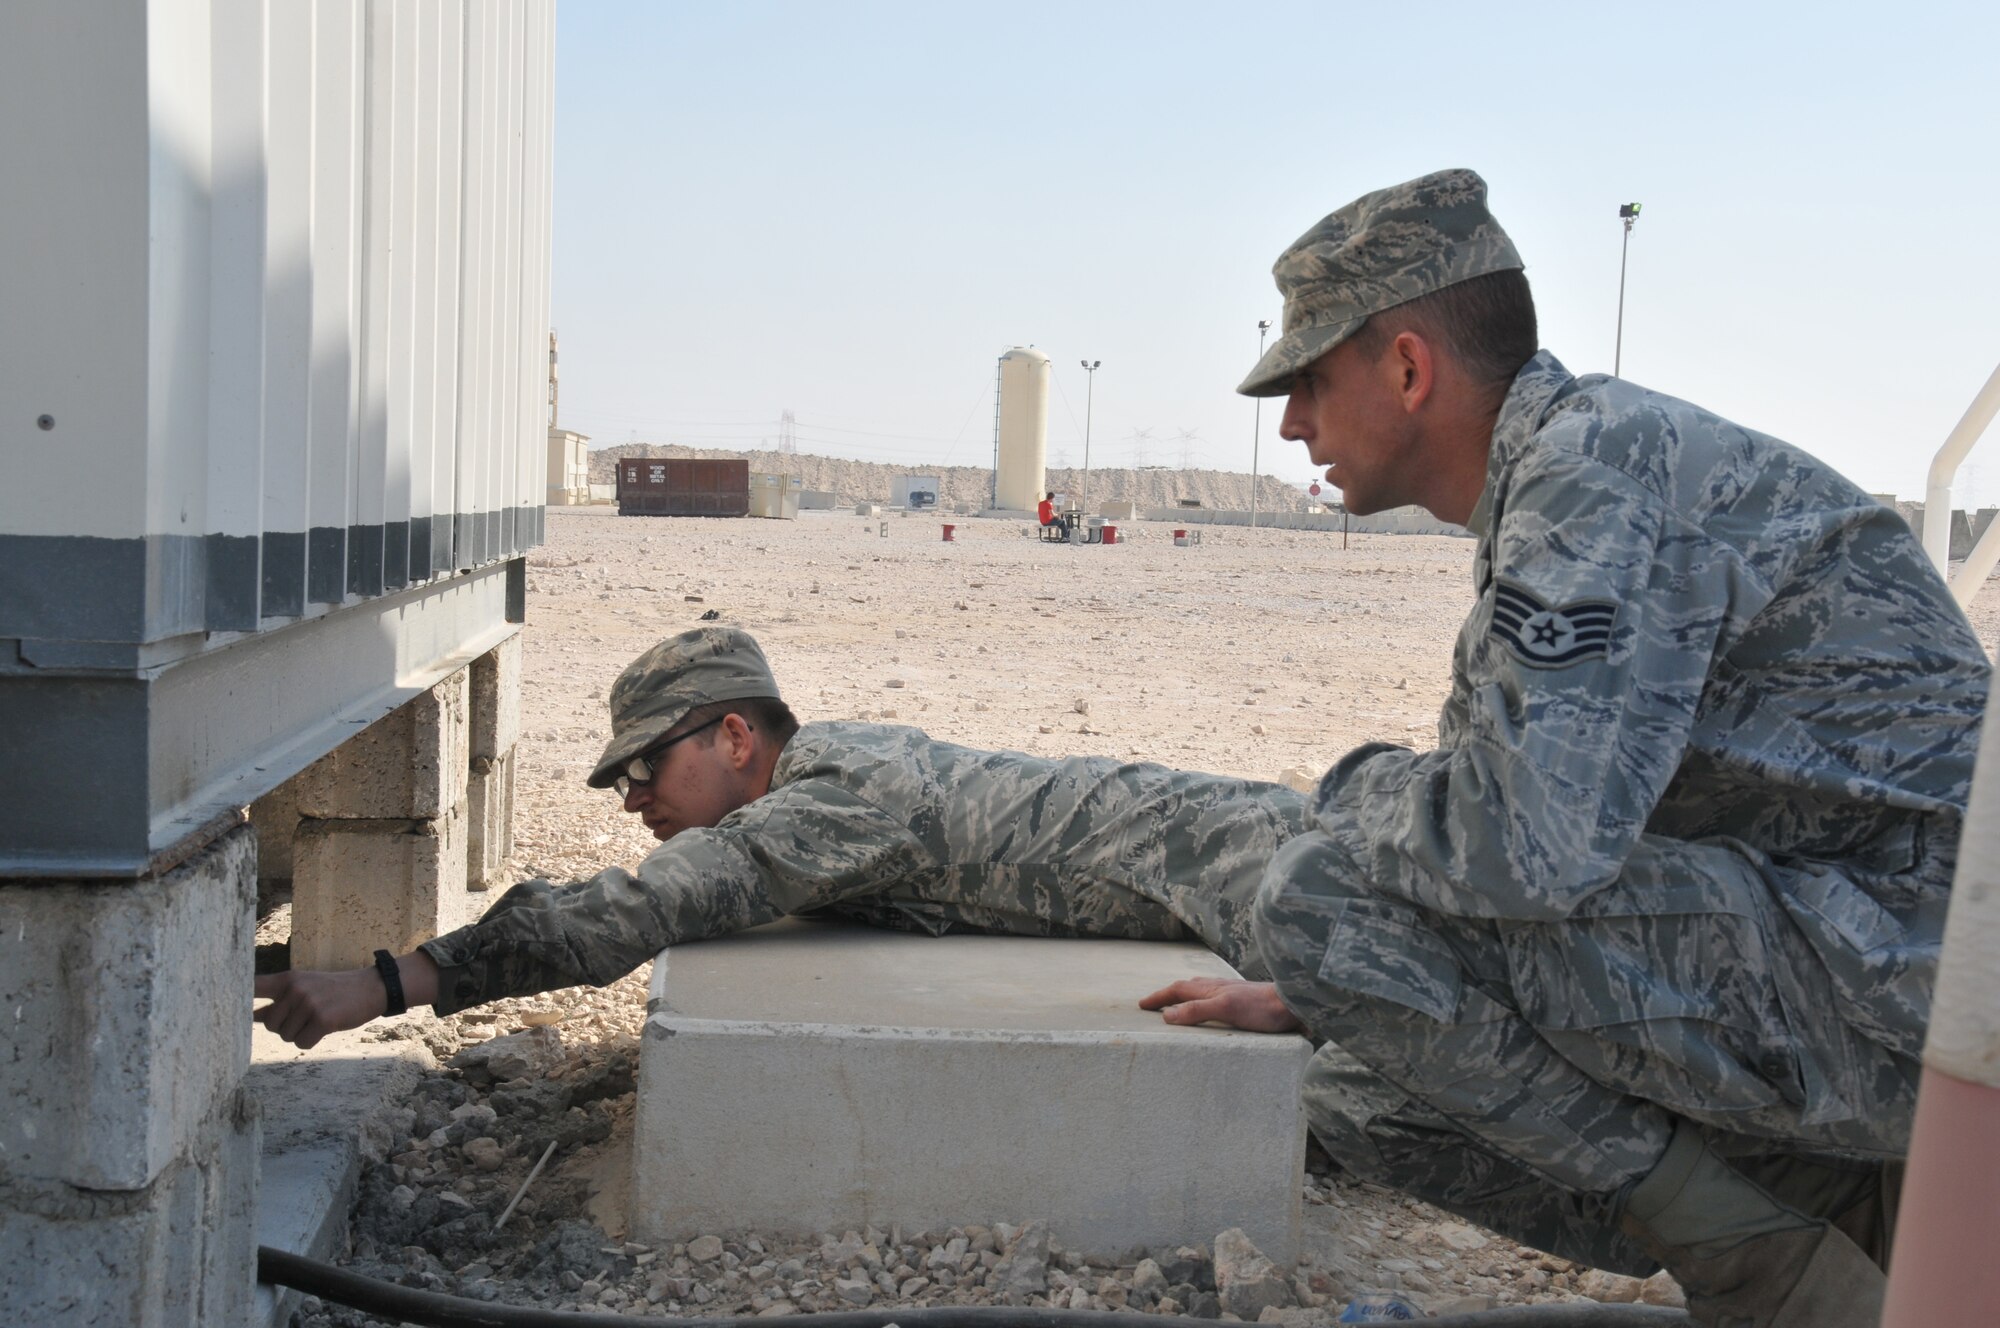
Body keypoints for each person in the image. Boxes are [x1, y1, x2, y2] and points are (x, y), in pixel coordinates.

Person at [1176, 167, 1988, 1327]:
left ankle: (1774, 1264)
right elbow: (1512, 834)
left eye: (1307, 378)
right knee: (1370, 1086)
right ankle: (1831, 1202)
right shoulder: (1564, 471)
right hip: (1859, 967)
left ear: (1407, 368)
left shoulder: (1592, 471)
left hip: (1915, 996)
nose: (1293, 420)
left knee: (1314, 893)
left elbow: (1517, 851)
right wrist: (1348, 982)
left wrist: (1346, 797)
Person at [254, 626, 1309, 1048]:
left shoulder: (823, 807)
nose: (632, 798)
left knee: (1377, 1116)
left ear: (732, 733)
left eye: (644, 767)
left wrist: (401, 980)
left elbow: (640, 905)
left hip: (1270, 874)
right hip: (1260, 850)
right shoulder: (834, 766)